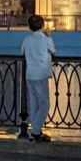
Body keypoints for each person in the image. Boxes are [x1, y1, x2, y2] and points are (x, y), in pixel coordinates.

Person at [21, 14, 56, 142]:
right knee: (44, 104)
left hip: (29, 74)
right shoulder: (45, 39)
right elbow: (53, 51)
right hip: (41, 74)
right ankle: (36, 131)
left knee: (34, 104)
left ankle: (34, 130)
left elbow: (22, 52)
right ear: (43, 25)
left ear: (29, 27)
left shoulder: (27, 39)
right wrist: (49, 37)